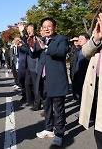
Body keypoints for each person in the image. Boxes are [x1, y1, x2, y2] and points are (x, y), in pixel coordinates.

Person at [29, 17, 69, 146]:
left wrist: (45, 47)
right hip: (43, 79)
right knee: (46, 107)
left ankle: (59, 133)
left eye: (49, 26)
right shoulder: (41, 40)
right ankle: (48, 128)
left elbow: (62, 52)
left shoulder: (61, 39)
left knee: (58, 108)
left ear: (54, 27)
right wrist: (32, 47)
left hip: (56, 79)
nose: (46, 28)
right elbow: (35, 55)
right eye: (44, 26)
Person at [79, 13, 102, 149]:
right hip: (96, 86)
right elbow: (85, 52)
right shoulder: (98, 33)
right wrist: (97, 39)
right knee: (98, 131)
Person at [18, 22, 41, 110]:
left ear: (34, 29)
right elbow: (25, 40)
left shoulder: (37, 39)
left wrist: (21, 46)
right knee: (27, 84)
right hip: (28, 65)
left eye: (30, 29)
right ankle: (30, 101)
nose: (28, 31)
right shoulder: (29, 38)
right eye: (27, 29)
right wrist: (21, 32)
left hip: (35, 65)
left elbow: (30, 51)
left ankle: (37, 103)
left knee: (36, 85)